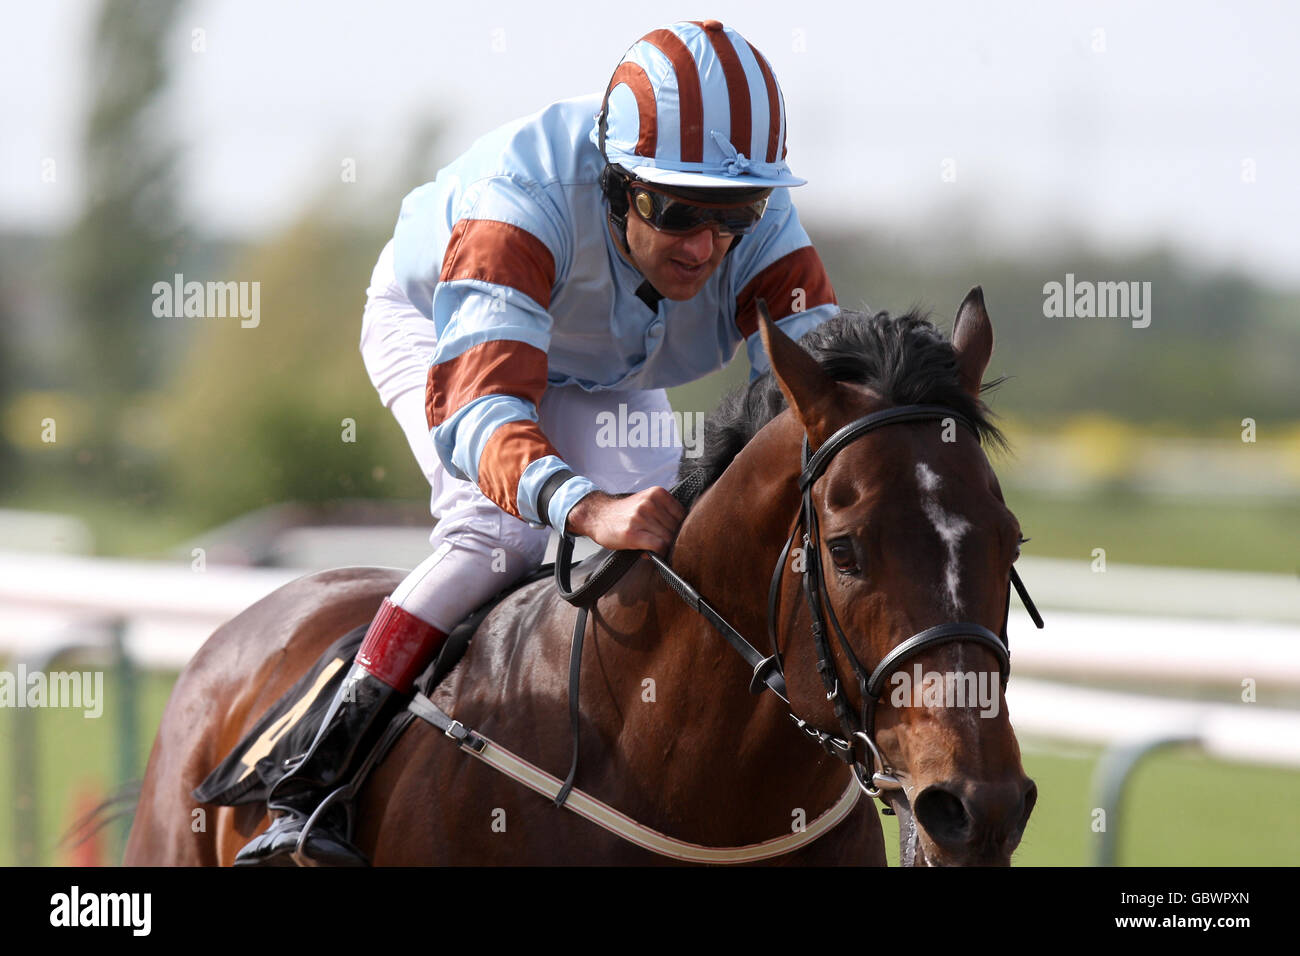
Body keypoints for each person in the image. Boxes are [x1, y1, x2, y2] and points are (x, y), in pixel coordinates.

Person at [235, 18, 839, 866]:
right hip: (449, 331)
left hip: (599, 367)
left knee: (676, 546)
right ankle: (311, 787)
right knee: (501, 534)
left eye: (732, 215)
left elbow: (830, 380)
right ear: (619, 184)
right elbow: (484, 410)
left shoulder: (760, 227)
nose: (706, 247)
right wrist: (586, 506)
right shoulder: (519, 203)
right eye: (675, 213)